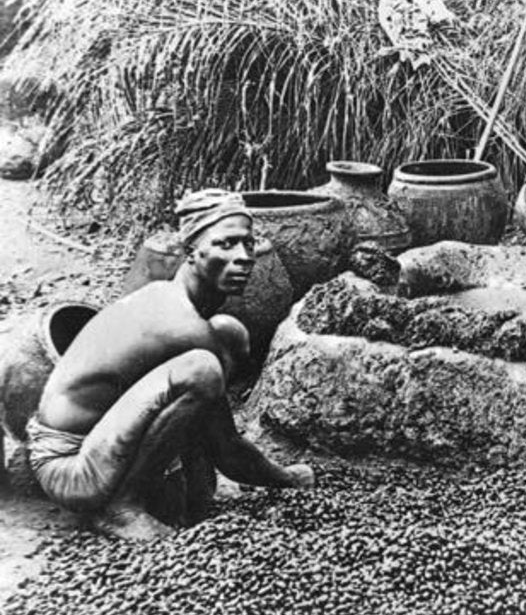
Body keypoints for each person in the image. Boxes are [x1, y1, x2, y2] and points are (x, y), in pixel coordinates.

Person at [26, 189, 315, 541]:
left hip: (105, 446)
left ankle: (156, 488)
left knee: (228, 333)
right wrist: (285, 478)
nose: (243, 257)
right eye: (226, 244)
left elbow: (205, 425)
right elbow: (227, 448)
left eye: (248, 244)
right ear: (191, 251)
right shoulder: (179, 323)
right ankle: (122, 507)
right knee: (202, 370)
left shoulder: (178, 303)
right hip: (71, 469)